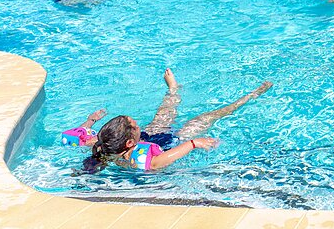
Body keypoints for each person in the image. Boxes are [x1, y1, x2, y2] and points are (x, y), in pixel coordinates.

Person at [75, 69, 271, 173]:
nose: (137, 123)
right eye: (135, 125)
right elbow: (158, 162)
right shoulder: (134, 160)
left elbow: (78, 136)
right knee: (209, 117)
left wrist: (90, 121)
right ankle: (250, 96)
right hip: (170, 143)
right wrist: (193, 143)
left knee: (164, 112)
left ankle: (173, 90)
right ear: (129, 142)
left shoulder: (103, 145)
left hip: (148, 137)